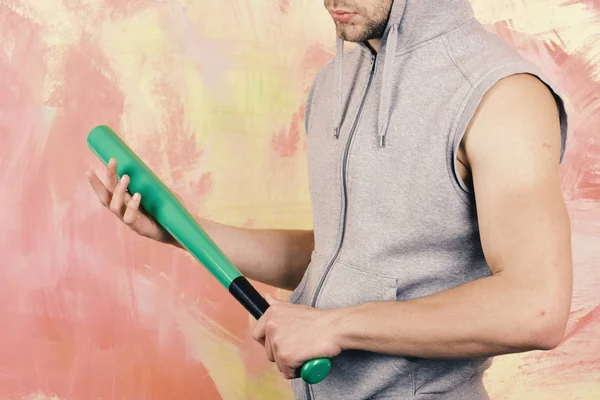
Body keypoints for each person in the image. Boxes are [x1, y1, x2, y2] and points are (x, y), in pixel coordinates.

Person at [87, 0, 573, 399]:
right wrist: (182, 229)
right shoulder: (333, 86)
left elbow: (536, 307)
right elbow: (339, 260)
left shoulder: (503, 96)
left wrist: (335, 327)